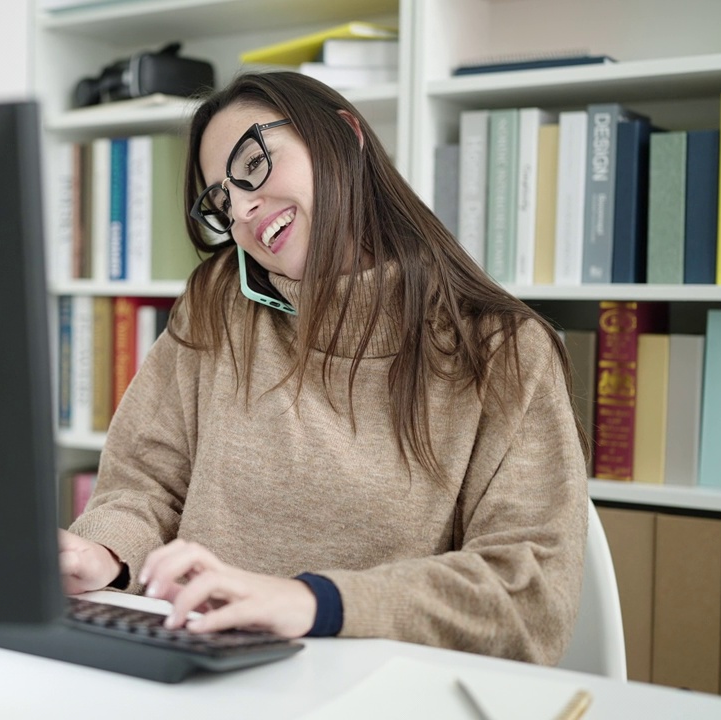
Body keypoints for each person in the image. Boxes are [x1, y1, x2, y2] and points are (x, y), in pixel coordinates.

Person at [57, 71, 588, 665]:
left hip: (380, 690)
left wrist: (314, 603)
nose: (243, 210)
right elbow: (146, 485)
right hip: (203, 669)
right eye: (222, 203)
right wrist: (105, 550)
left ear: (345, 136)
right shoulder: (217, 303)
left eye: (253, 165)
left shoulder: (503, 351)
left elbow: (528, 596)